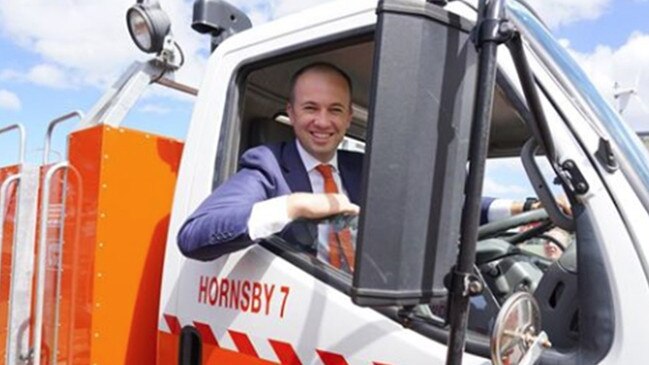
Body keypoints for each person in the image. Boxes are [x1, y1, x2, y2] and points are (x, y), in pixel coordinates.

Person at [177, 62, 534, 262]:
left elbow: (440, 208)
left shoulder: (362, 168)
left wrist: (520, 207)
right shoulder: (267, 166)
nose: (322, 121)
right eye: (310, 108)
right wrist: (296, 204)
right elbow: (193, 237)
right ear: (290, 112)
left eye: (335, 110)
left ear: (349, 117)